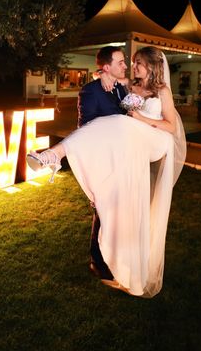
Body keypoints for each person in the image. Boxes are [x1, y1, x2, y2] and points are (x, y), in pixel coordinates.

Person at [27, 46, 186, 297]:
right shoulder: (129, 87)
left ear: (152, 66)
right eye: (129, 63)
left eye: (137, 64)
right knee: (124, 207)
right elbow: (111, 80)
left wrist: (140, 119)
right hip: (127, 150)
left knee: (121, 121)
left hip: (156, 141)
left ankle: (55, 153)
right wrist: (102, 75)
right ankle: (116, 262)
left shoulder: (162, 90)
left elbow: (171, 126)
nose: (132, 67)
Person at [76, 45, 129, 284]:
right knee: (103, 212)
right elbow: (85, 129)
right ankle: (97, 261)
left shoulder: (122, 88)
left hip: (123, 159)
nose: (125, 65)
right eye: (120, 62)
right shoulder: (90, 91)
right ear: (106, 67)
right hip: (102, 161)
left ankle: (114, 254)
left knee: (119, 212)